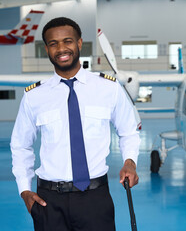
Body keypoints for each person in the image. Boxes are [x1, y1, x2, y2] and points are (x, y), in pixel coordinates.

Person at [11, 17, 140, 231]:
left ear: (79, 43)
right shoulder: (34, 96)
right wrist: (24, 190)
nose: (61, 48)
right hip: (48, 202)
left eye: (68, 41)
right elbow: (20, 145)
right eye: (54, 44)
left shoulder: (108, 88)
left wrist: (130, 162)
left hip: (95, 198)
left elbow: (128, 131)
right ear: (47, 49)